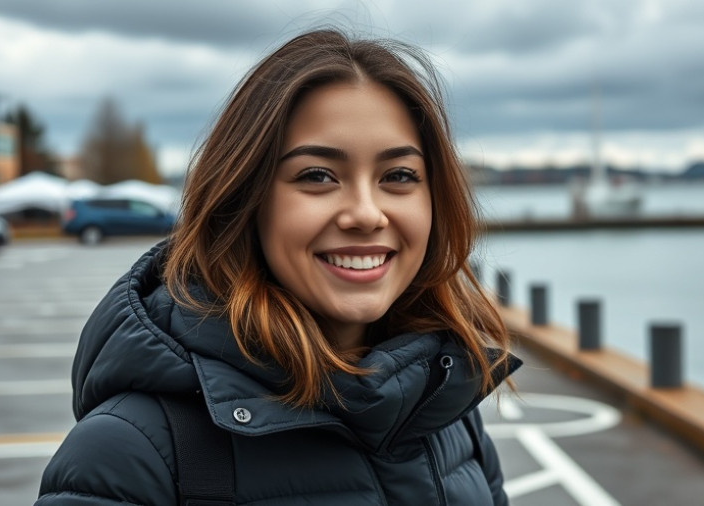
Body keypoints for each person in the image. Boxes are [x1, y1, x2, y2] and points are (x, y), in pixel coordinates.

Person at [35, 28, 521, 506]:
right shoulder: (131, 454)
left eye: (398, 176)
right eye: (317, 176)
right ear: (245, 198)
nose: (367, 213)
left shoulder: (446, 409)